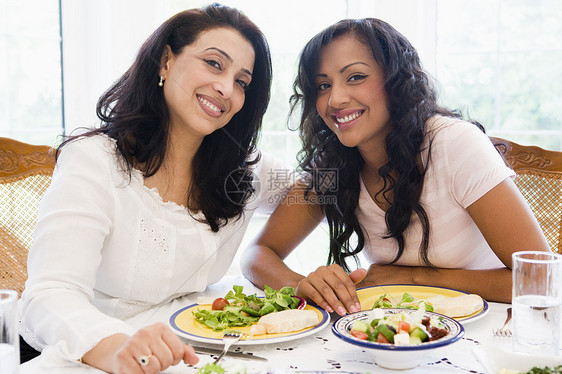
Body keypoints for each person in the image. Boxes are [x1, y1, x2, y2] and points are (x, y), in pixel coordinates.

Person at [19, 4, 287, 373]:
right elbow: (49, 294)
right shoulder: (94, 160)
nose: (226, 88)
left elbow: (324, 189)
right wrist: (116, 348)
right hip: (102, 357)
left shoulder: (243, 170)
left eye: (242, 81)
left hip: (200, 356)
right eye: (213, 63)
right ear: (165, 61)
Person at [241, 17, 551, 316]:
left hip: (492, 330)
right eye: (322, 85)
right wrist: (302, 286)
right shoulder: (332, 166)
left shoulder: (454, 144)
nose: (334, 99)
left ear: (395, 81)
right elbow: (257, 255)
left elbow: (543, 278)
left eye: (355, 77)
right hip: (401, 331)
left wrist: (415, 279)